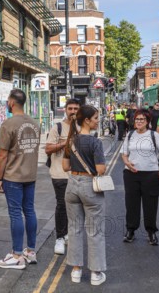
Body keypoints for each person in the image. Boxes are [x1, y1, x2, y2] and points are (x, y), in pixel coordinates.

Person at [0, 89, 40, 270]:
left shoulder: (8, 124)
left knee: (15, 213)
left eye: (7, 101)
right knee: (29, 210)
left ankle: (16, 255)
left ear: (12, 103)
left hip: (13, 176)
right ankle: (30, 251)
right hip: (31, 175)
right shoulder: (35, 123)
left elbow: (2, 156)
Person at [62, 105, 107, 286]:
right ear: (87, 120)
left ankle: (76, 270)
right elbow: (101, 169)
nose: (98, 121)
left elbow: (65, 167)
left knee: (74, 229)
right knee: (94, 230)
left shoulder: (71, 140)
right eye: (96, 118)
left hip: (72, 185)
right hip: (90, 186)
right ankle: (96, 273)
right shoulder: (96, 143)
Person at [121, 109, 159, 245]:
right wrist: (127, 163)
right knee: (131, 203)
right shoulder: (130, 135)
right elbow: (124, 153)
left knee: (150, 204)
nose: (139, 121)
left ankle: (151, 232)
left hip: (151, 174)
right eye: (137, 119)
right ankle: (130, 231)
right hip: (131, 174)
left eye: (142, 119)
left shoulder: (154, 135)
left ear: (147, 121)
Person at [44, 98, 81, 255]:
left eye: (75, 109)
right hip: (60, 173)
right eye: (70, 108)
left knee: (75, 207)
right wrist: (64, 144)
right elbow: (47, 149)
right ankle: (59, 237)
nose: (73, 111)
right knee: (61, 204)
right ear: (65, 110)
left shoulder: (83, 128)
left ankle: (68, 234)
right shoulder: (57, 127)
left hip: (79, 174)